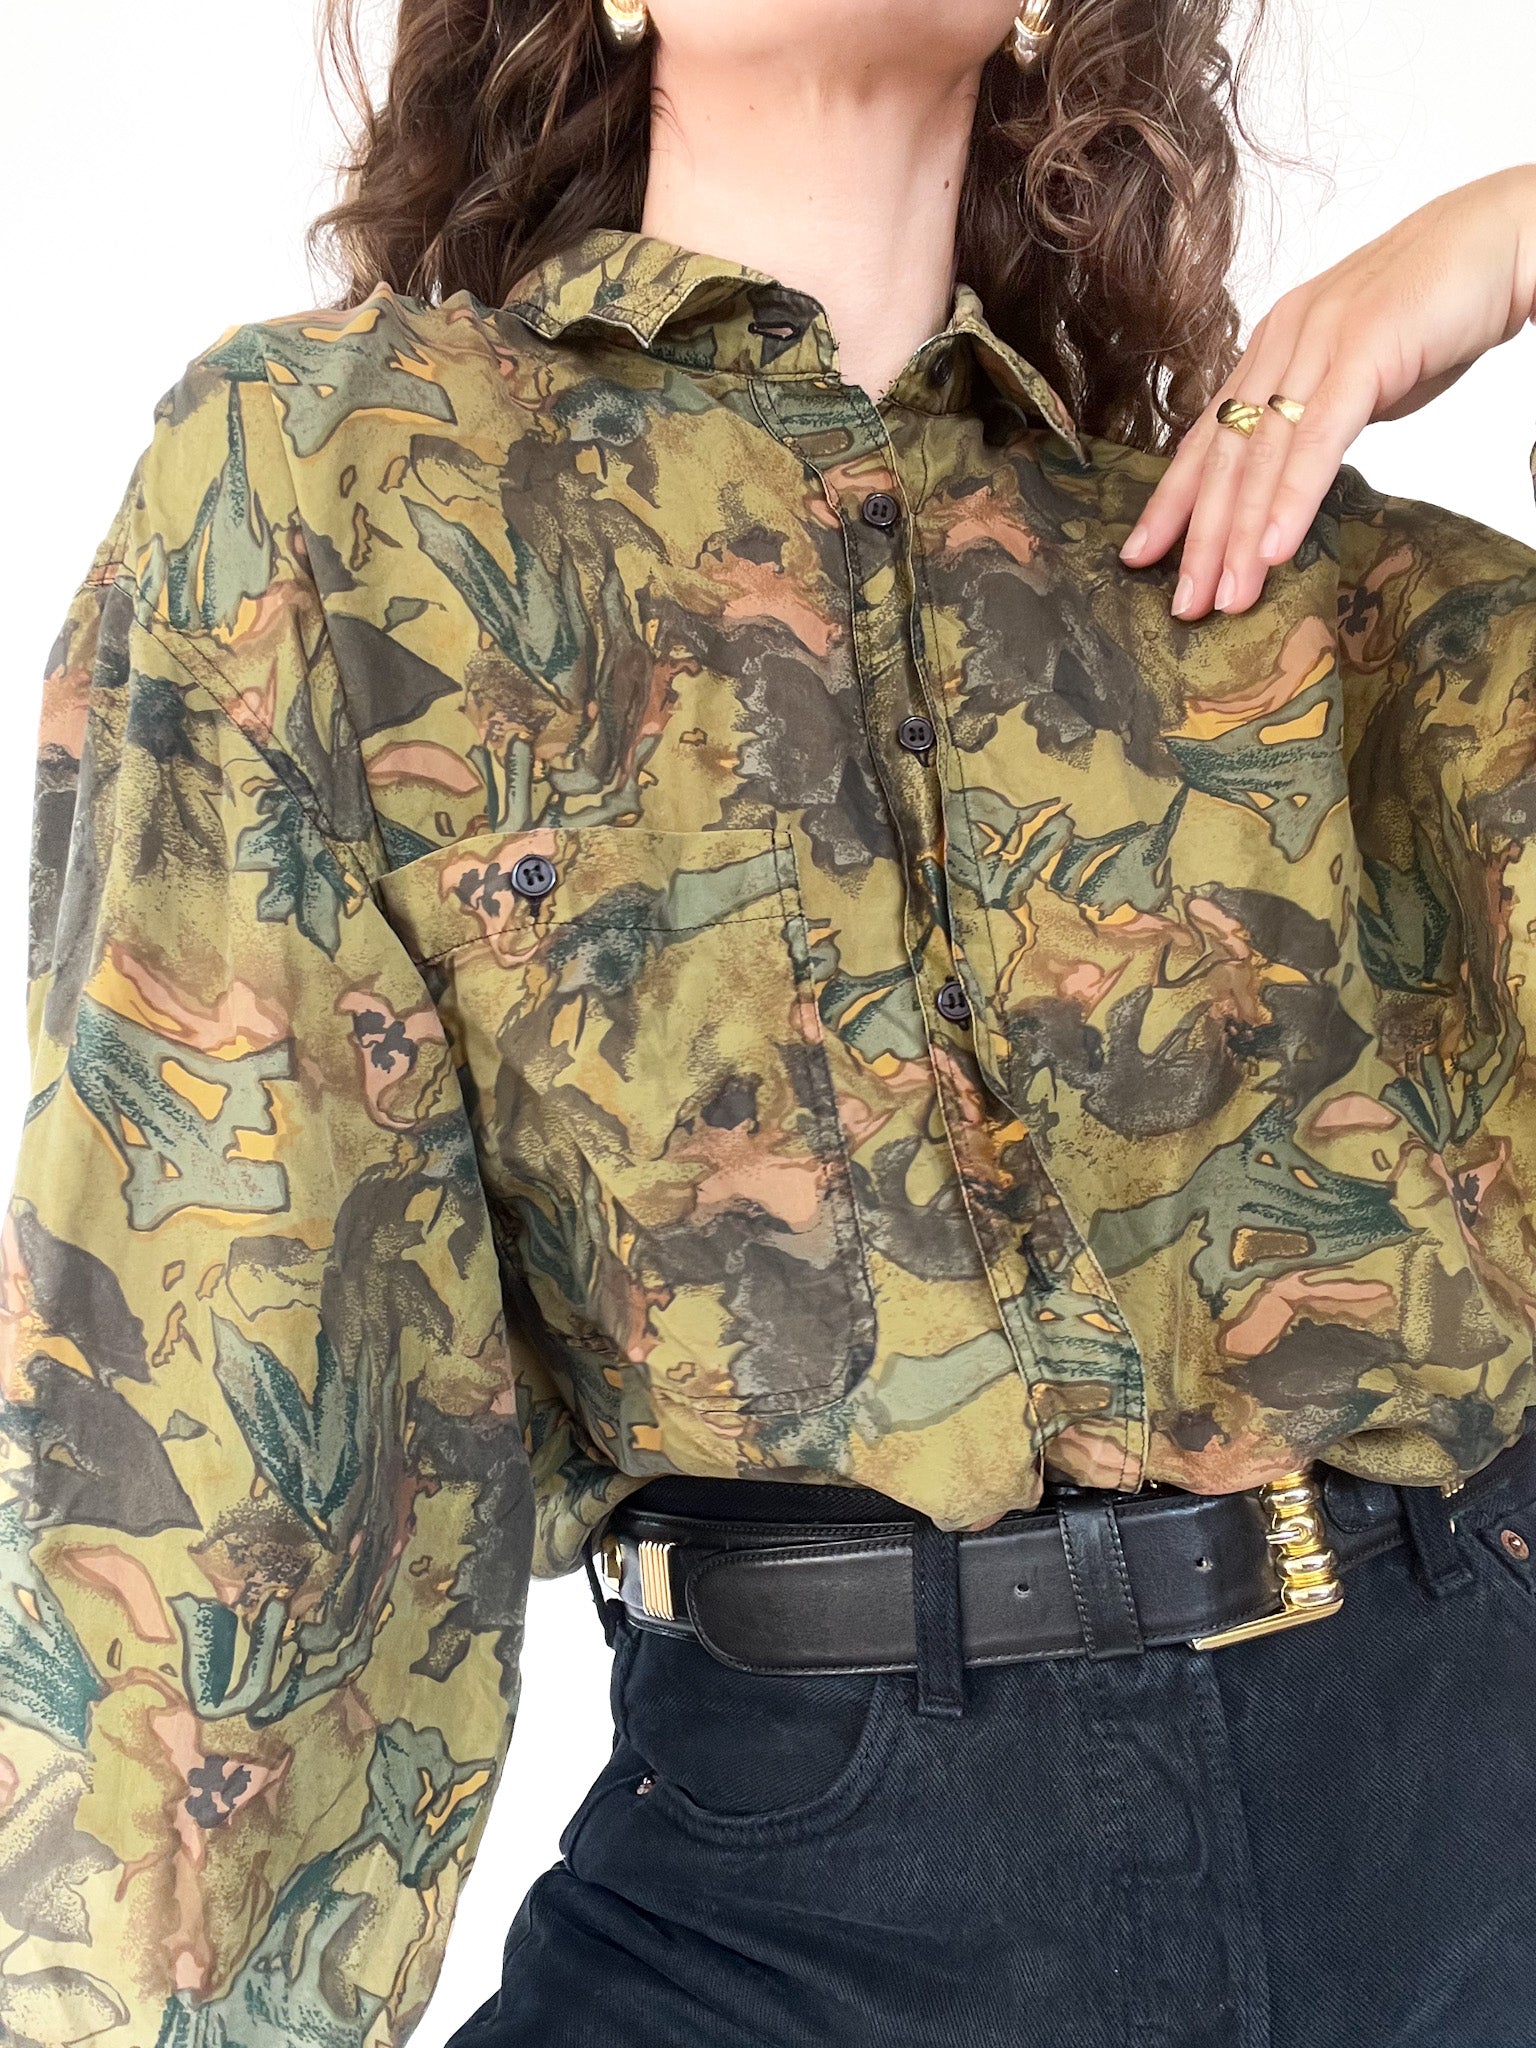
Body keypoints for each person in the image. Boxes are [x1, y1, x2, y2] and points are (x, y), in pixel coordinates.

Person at [2, 0, 1534, 2043]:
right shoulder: (340, 485)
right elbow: (213, 1396)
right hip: (804, 1896)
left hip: (1458, 1809)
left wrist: (1516, 236)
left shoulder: (1306, 584)